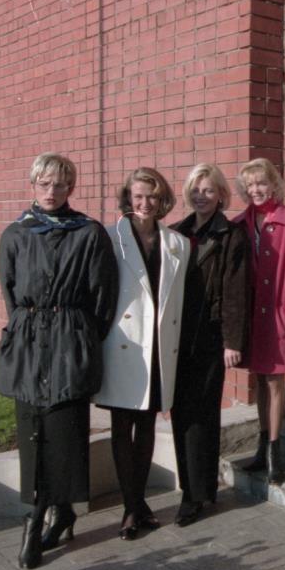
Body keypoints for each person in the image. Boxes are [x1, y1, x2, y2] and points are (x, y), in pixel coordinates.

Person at [0, 152, 118, 569]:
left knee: (64, 431)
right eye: (44, 183)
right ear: (33, 185)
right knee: (33, 432)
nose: (51, 191)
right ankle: (46, 514)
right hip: (30, 344)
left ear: (71, 188)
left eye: (60, 184)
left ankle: (47, 516)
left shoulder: (88, 233)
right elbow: (10, 294)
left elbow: (103, 297)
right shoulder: (16, 233)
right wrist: (30, 328)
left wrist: (80, 336)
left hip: (69, 341)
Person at [95, 167, 190, 539]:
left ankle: (136, 505)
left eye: (151, 196)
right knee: (122, 426)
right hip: (125, 344)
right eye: (138, 196)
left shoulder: (177, 243)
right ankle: (132, 508)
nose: (145, 203)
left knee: (147, 425)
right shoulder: (110, 237)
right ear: (128, 198)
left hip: (158, 346)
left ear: (161, 199)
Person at [168, 163, 249, 526]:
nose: (201, 196)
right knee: (181, 414)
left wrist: (232, 341)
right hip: (176, 337)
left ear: (221, 195)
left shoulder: (231, 235)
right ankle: (194, 487)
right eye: (196, 190)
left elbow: (235, 293)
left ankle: (196, 494)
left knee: (202, 414)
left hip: (211, 336)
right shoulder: (176, 233)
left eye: (209, 190)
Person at [235, 158, 285, 483]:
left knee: (275, 382)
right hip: (252, 318)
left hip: (279, 317)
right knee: (259, 382)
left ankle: (274, 452)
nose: (256, 189)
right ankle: (261, 446)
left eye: (261, 183)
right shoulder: (239, 225)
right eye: (250, 184)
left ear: (274, 185)